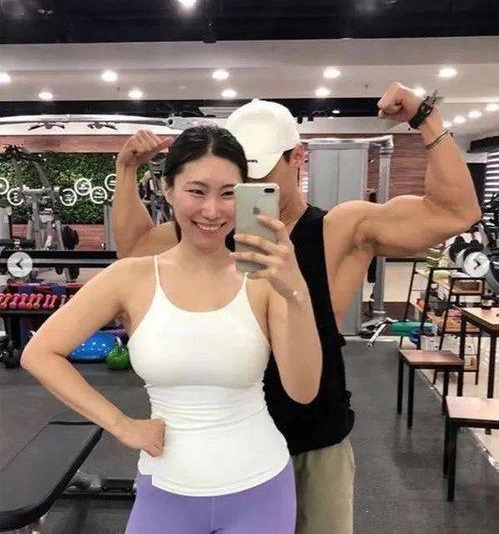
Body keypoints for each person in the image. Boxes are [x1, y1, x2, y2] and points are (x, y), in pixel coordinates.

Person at [111, 82, 482, 534]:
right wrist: (126, 170)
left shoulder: (341, 229)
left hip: (311, 441)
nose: (252, 186)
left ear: (297, 157)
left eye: (263, 171)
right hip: (224, 447)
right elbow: (132, 252)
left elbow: (454, 213)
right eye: (242, 175)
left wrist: (425, 118)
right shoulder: (207, 231)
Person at [20, 125, 323, 534]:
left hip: (260, 487)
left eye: (228, 193)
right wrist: (120, 424)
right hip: (166, 488)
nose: (212, 210)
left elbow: (303, 391)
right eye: (196, 191)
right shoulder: (130, 277)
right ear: (168, 190)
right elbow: (40, 353)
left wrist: (297, 293)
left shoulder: (264, 280)